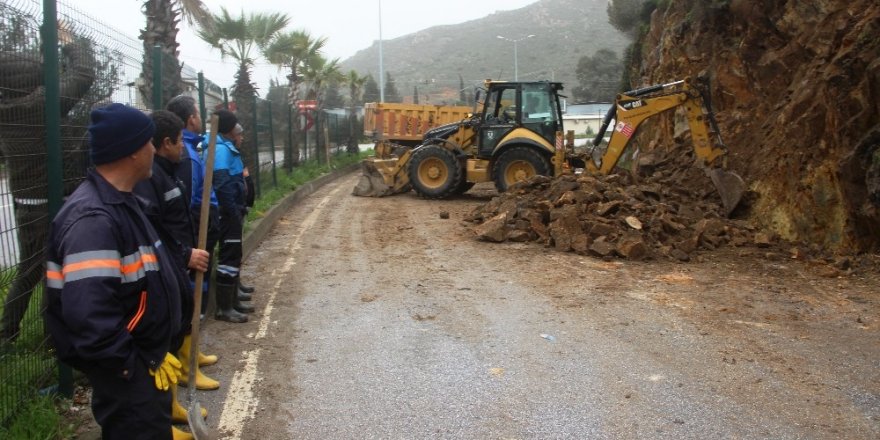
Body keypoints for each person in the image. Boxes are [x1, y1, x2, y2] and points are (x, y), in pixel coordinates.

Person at [44, 103, 182, 440]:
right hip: (129, 380)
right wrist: (132, 369)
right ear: (133, 152)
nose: (153, 149)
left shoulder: (125, 204)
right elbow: (91, 317)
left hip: (143, 368)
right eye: (148, 142)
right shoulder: (94, 220)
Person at [132, 111, 218, 436]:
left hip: (176, 267)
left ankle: (171, 406)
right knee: (161, 345)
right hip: (166, 267)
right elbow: (154, 231)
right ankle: (162, 418)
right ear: (165, 143)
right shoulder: (150, 180)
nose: (183, 146)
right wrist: (184, 255)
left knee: (174, 332)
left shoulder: (168, 172)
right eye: (180, 140)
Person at [165, 96, 247, 323]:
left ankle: (217, 307)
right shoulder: (191, 154)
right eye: (197, 114)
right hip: (208, 220)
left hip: (215, 217)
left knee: (220, 258)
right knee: (214, 261)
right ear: (191, 119)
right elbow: (208, 188)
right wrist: (229, 212)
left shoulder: (196, 147)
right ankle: (204, 316)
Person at [211, 110, 254, 317]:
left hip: (233, 210)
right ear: (230, 130)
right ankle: (224, 307)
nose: (240, 132)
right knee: (229, 255)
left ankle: (232, 299)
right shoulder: (221, 150)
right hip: (228, 213)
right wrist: (232, 211)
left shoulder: (226, 148)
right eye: (237, 128)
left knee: (234, 252)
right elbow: (221, 184)